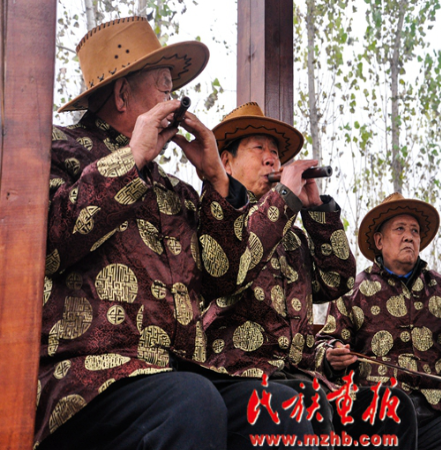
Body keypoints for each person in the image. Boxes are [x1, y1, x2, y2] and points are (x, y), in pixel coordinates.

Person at [39, 17, 313, 450]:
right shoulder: (55, 149)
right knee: (191, 401)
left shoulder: (174, 190)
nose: (175, 102)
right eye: (165, 88)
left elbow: (226, 279)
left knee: (278, 409)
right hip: (89, 378)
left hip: (178, 374)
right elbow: (49, 244)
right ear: (122, 94)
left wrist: (216, 179)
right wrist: (132, 157)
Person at [191, 102, 355, 442]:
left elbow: (338, 281)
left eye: (276, 153)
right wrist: (283, 200)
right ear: (226, 161)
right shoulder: (213, 218)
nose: (271, 160)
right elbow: (232, 268)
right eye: (259, 148)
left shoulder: (293, 237)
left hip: (293, 379)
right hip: (230, 375)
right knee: (291, 406)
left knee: (368, 412)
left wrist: (317, 211)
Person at [317, 193, 441, 450]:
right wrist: (332, 355)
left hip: (434, 415)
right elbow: (326, 342)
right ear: (379, 241)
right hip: (379, 418)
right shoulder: (353, 291)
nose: (409, 236)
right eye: (400, 229)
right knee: (395, 405)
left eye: (415, 231)